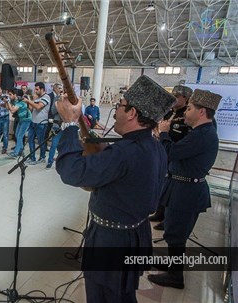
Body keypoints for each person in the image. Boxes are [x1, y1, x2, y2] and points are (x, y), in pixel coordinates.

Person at [55, 75, 176, 302]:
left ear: (132, 113)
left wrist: (69, 124)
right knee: (122, 295)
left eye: (120, 106)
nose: (116, 111)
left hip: (112, 242)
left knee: (103, 296)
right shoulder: (154, 146)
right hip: (135, 234)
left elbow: (70, 171)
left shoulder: (125, 153)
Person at [148, 89, 221, 289]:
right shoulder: (200, 132)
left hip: (186, 192)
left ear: (202, 112)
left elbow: (172, 152)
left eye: (189, 108)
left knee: (176, 234)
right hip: (182, 187)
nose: (185, 112)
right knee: (174, 231)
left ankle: (175, 276)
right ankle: (173, 265)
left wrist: (163, 133)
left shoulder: (203, 135)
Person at [150, 85, 193, 230]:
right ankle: (159, 212)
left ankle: (167, 218)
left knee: (171, 189)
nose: (174, 98)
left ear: (186, 99)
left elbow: (186, 138)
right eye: (173, 95)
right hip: (161, 151)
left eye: (178, 96)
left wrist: (164, 135)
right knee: (160, 184)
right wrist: (157, 132)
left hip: (175, 154)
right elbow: (158, 125)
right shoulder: (168, 112)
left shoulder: (187, 116)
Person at [5, 89, 31, 158]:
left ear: (15, 95)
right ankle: (21, 151)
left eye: (10, 94)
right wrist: (7, 102)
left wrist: (8, 102)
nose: (9, 96)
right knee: (17, 135)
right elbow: (8, 108)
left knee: (19, 136)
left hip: (26, 120)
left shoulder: (21, 101)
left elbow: (13, 111)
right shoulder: (16, 101)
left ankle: (16, 153)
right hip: (21, 119)